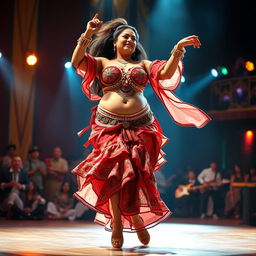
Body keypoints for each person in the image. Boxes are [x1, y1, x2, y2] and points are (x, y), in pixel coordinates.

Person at [71, 14, 211, 248]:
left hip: (141, 126)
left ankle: (136, 218)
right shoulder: (103, 63)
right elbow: (78, 62)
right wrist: (87, 35)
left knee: (134, 177)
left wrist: (177, 49)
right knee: (114, 174)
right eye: (126, 37)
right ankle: (117, 223)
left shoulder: (143, 65)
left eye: (134, 38)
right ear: (115, 42)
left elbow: (166, 73)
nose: (130, 41)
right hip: (108, 126)